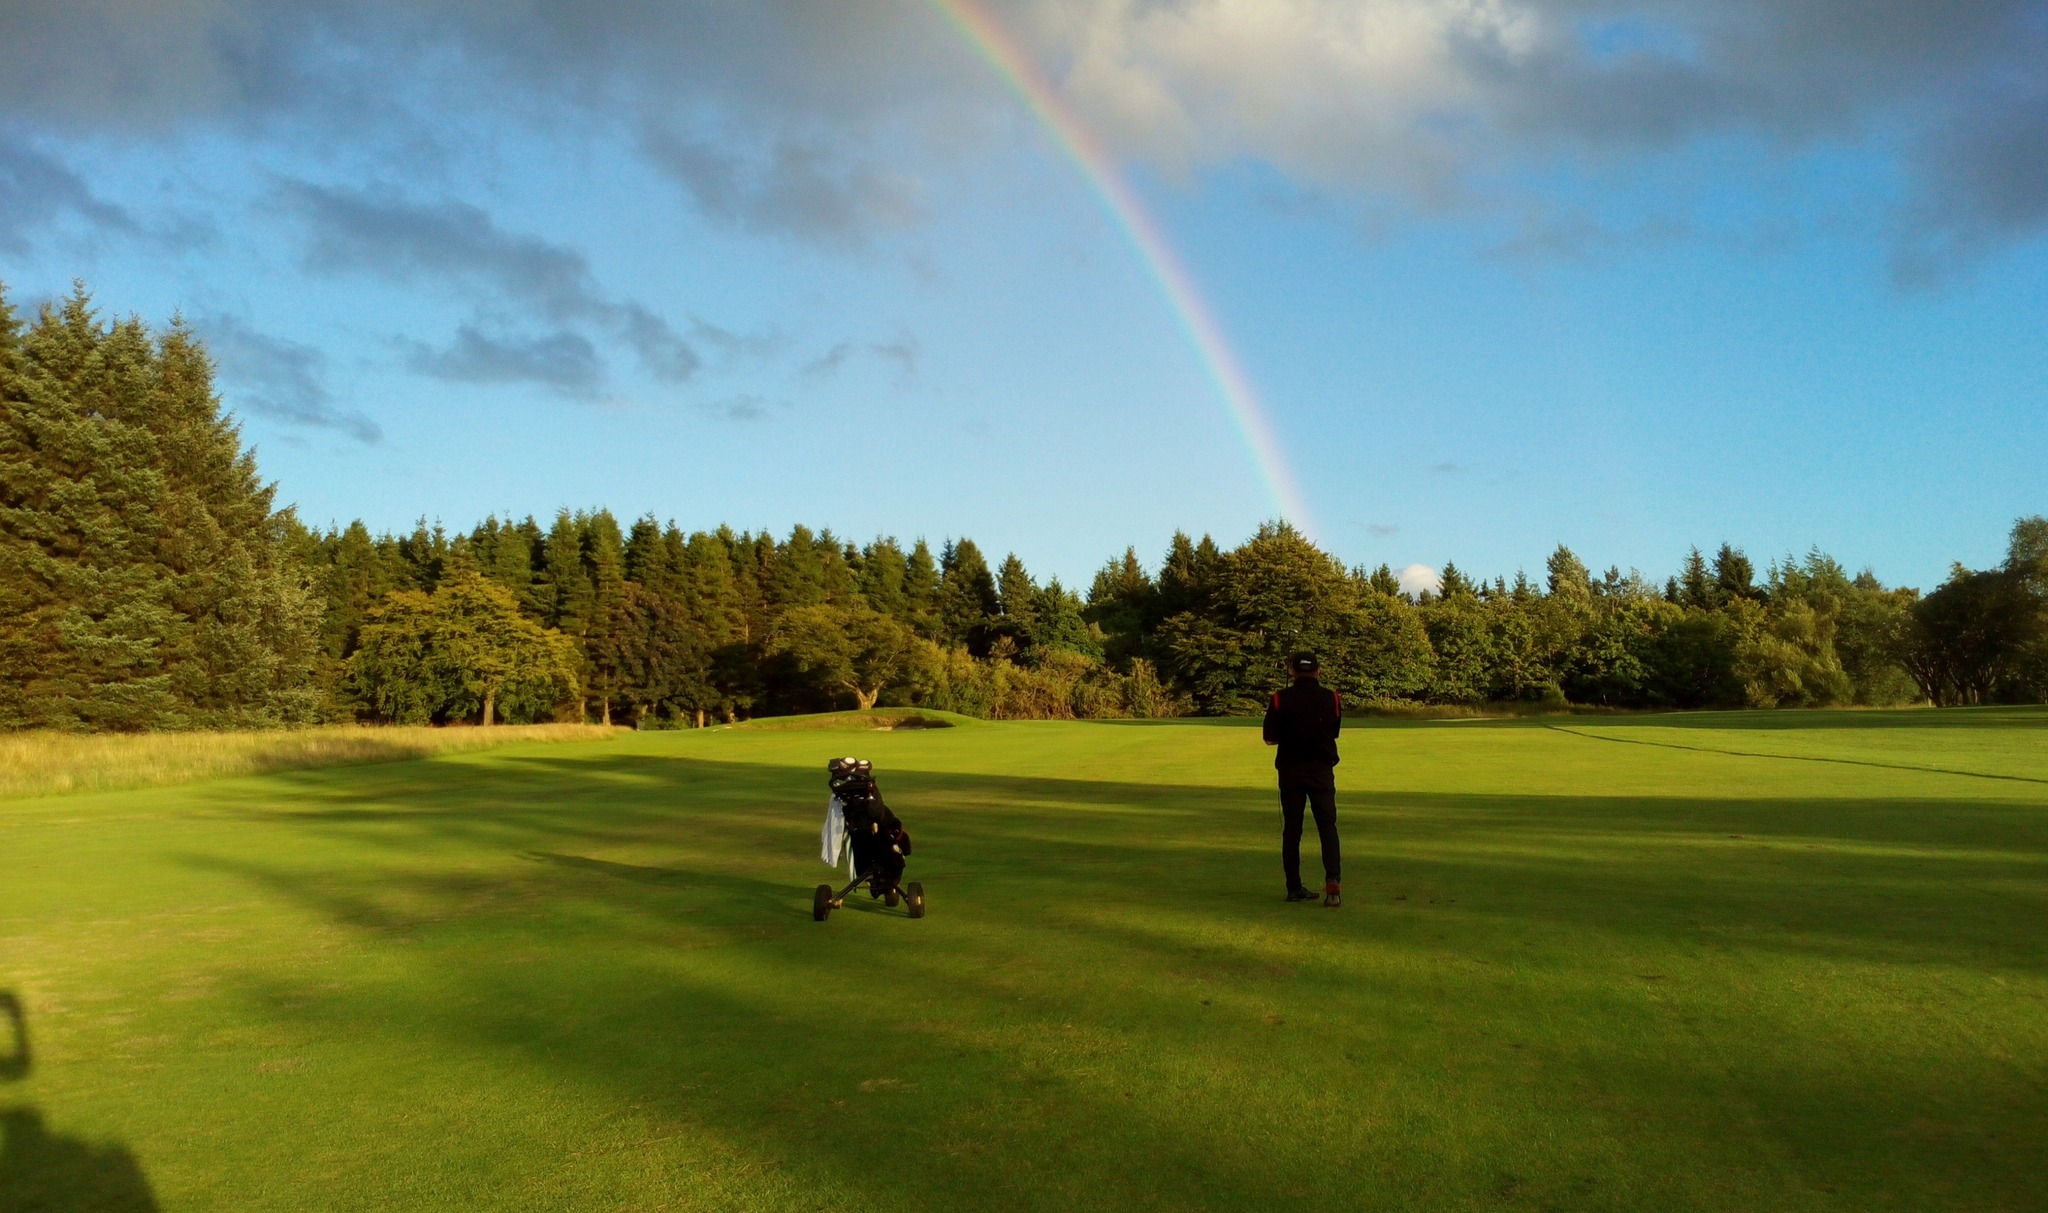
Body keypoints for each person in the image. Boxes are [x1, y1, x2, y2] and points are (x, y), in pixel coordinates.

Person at [1262, 652, 1342, 906]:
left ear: (1293, 672)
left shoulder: (1279, 698)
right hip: (1321, 770)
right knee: (1327, 827)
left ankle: (1294, 887)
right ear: (1318, 671)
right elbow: (1333, 732)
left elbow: (1269, 738)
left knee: (1292, 830)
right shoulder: (1332, 698)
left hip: (1291, 771)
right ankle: (1333, 883)